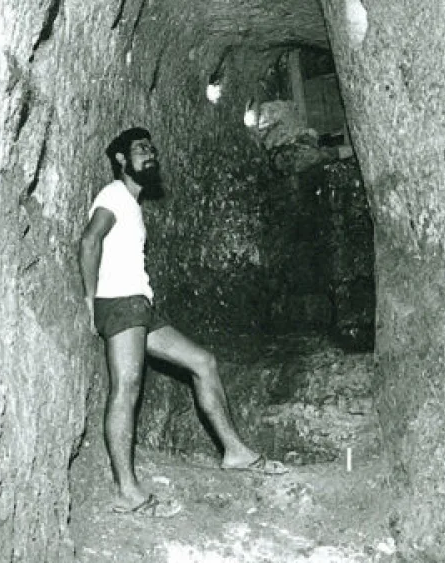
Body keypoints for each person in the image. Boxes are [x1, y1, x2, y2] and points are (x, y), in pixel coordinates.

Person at [79, 127, 288, 518]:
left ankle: (235, 452)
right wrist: (91, 301)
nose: (150, 153)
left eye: (151, 148)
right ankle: (128, 492)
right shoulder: (113, 195)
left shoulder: (131, 204)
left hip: (140, 304)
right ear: (122, 160)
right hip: (120, 303)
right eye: (140, 149)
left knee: (203, 362)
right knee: (126, 387)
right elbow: (90, 241)